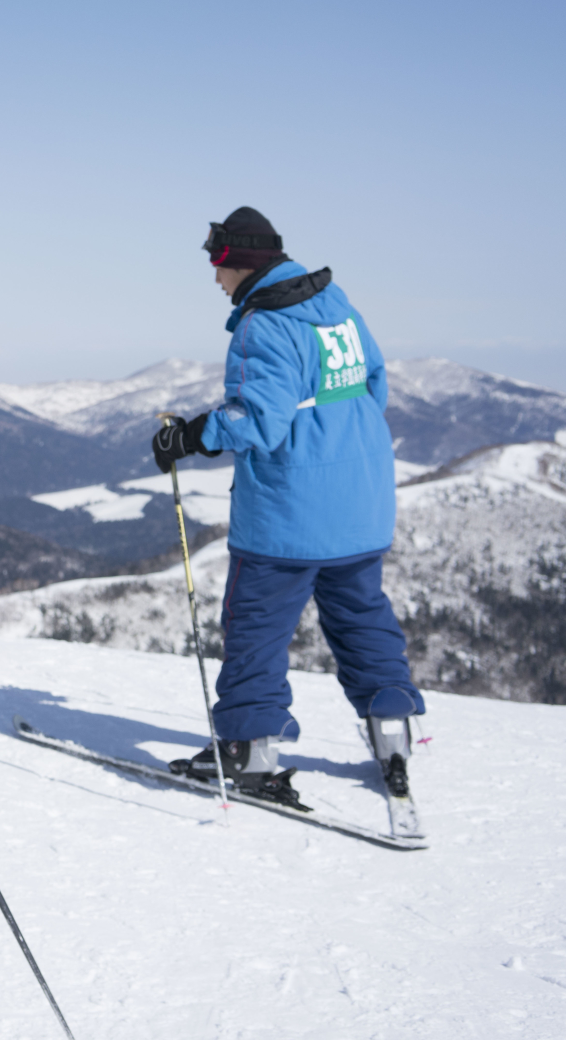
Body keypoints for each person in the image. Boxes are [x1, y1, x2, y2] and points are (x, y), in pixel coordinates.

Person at [155, 207, 424, 804]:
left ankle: (249, 751)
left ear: (240, 263)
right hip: (362, 504)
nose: (214, 280)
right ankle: (392, 734)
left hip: (289, 517)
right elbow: (374, 386)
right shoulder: (338, 310)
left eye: (217, 266)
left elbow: (256, 421)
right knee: (361, 619)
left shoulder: (263, 323)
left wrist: (188, 436)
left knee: (256, 627)